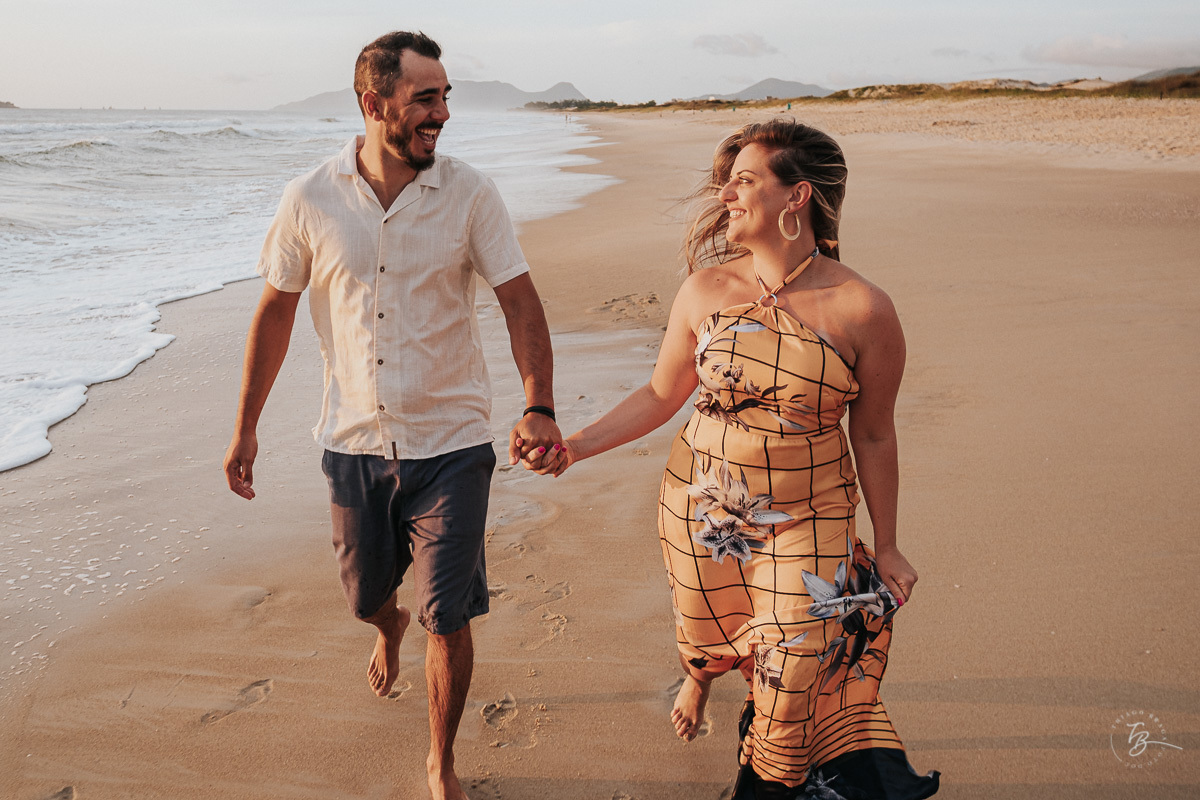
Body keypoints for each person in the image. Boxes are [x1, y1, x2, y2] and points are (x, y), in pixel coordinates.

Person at [525, 118, 938, 798]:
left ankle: (762, 784)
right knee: (706, 632)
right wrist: (573, 447)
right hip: (705, 507)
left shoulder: (864, 308)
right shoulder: (705, 291)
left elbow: (873, 436)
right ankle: (700, 676)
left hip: (811, 514)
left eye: (745, 181)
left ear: (796, 196)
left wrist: (887, 546)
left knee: (793, 665)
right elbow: (663, 394)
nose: (726, 195)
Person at [222, 31, 561, 800]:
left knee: (448, 611)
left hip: (454, 441)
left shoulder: (470, 192)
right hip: (353, 442)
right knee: (367, 595)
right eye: (425, 100)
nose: (442, 114)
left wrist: (538, 403)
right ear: (374, 105)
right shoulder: (310, 198)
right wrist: (244, 427)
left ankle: (441, 760)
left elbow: (520, 304)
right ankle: (386, 628)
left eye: (445, 97)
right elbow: (274, 316)